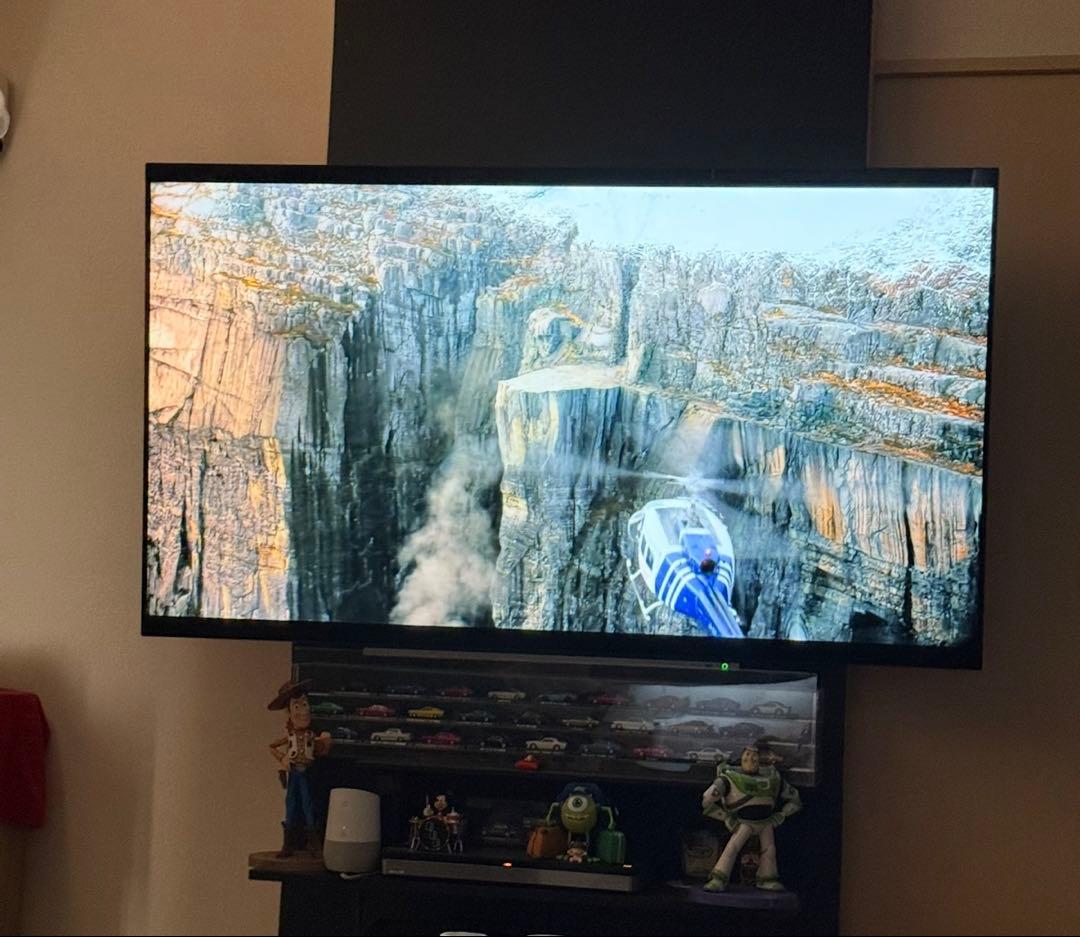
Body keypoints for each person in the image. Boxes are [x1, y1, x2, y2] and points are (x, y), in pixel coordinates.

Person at [701, 745, 801, 891]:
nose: (751, 759)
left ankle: (767, 878)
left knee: (769, 851)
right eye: (747, 755)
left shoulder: (773, 778)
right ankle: (719, 878)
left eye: (754, 756)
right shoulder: (728, 778)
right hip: (743, 823)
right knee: (731, 849)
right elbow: (707, 802)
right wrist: (726, 818)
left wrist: (781, 815)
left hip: (765, 822)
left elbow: (795, 801)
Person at [268, 679, 331, 858]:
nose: (304, 711)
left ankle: (313, 842)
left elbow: (323, 747)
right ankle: (289, 843)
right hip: (294, 772)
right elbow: (272, 746)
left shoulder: (312, 734)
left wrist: (324, 742)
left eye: (305, 704)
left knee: (308, 804)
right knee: (291, 804)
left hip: (308, 773)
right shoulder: (289, 735)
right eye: (297, 706)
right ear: (289, 712)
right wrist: (283, 759)